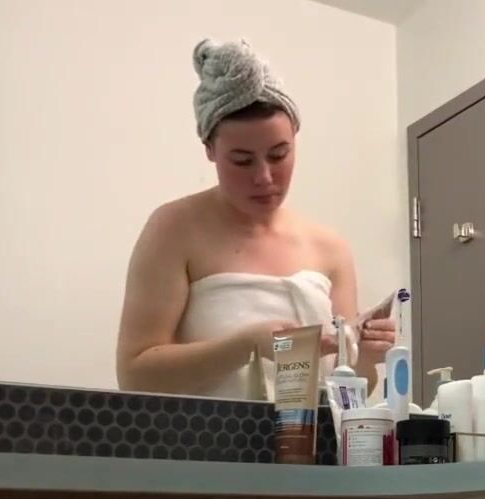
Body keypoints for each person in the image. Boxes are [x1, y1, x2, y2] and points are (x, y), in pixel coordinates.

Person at [116, 39, 396, 398]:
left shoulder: (330, 248)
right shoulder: (174, 229)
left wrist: (365, 357)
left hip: (309, 434)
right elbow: (135, 376)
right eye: (242, 161)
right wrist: (247, 345)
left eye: (278, 155)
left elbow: (349, 387)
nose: (264, 177)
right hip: (208, 434)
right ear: (210, 150)